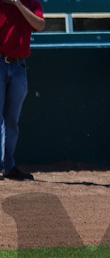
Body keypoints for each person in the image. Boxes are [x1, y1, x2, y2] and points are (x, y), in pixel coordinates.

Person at [0, 0, 44, 181]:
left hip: (19, 65)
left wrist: (18, 5)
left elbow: (40, 25)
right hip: (0, 62)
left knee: (12, 120)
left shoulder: (33, 3)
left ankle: (8, 166)